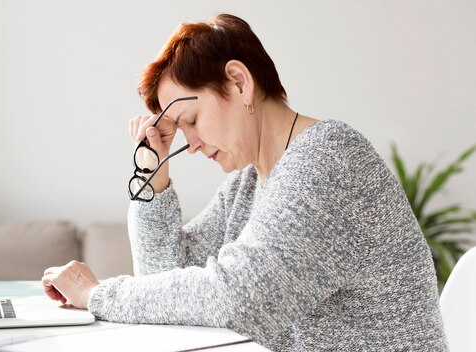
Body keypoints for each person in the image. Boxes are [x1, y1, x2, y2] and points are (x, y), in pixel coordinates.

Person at [41, 14, 448, 350]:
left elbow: (239, 299)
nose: (193, 145)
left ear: (239, 82)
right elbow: (164, 276)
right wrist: (154, 173)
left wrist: (97, 295)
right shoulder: (250, 183)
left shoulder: (328, 159)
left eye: (192, 122)